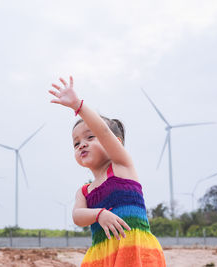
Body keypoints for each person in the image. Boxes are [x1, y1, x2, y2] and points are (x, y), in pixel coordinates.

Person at [48, 76, 166, 266]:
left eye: (90, 137)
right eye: (76, 143)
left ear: (116, 143)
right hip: (102, 256)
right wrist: (99, 214)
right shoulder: (84, 191)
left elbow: (103, 131)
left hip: (134, 250)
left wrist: (79, 106)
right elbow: (77, 216)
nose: (81, 145)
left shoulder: (121, 166)